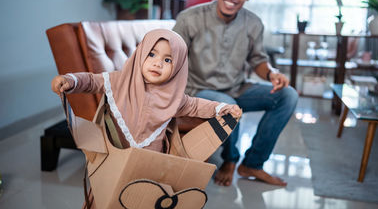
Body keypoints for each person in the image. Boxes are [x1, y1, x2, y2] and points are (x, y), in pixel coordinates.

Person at [173, 0, 298, 186]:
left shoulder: (254, 23)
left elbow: (258, 60)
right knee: (228, 104)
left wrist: (272, 73)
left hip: (237, 88)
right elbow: (171, 58)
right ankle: (230, 160)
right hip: (198, 90)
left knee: (288, 95)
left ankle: (253, 164)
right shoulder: (189, 18)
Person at [51, 29, 242, 153]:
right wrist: (70, 80)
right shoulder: (120, 80)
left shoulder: (173, 99)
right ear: (141, 53)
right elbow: (92, 81)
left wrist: (222, 108)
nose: (157, 63)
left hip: (149, 161)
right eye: (151, 54)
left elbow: (196, 105)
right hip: (112, 153)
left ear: (177, 68)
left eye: (168, 60)